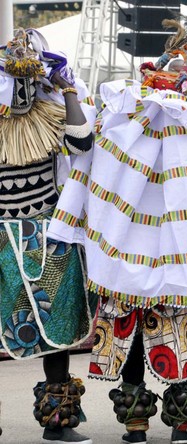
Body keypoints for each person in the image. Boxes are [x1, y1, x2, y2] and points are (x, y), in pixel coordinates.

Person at [49, 18, 187, 444]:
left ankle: (137, 426)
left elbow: (81, 151)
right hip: (177, 264)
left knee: (137, 338)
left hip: (123, 262)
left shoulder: (120, 125)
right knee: (180, 337)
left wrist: (73, 92)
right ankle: (181, 425)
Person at [0, 28, 97, 444]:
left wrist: (67, 88)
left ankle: (58, 421)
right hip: (2, 234)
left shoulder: (53, 113)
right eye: (13, 83)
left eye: (29, 81)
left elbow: (82, 141)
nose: (22, 93)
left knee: (58, 326)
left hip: (47, 231)